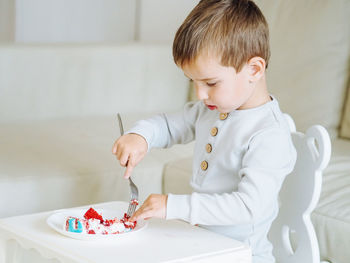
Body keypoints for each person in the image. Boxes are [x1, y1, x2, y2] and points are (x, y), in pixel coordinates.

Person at [112, 0, 296, 262]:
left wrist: (173, 206)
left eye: (210, 82)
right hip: (203, 245)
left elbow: (248, 206)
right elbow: (167, 125)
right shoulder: (210, 110)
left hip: (242, 255)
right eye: (193, 82)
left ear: (254, 69)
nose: (200, 94)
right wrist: (140, 136)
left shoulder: (269, 135)